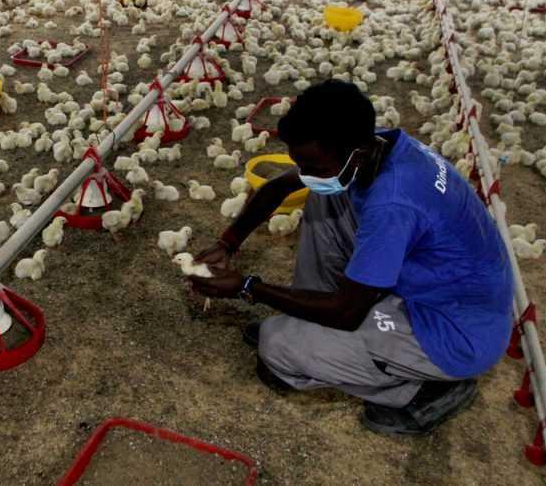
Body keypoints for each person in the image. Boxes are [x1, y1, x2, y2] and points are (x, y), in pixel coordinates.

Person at [189, 79, 513, 436]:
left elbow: (347, 313)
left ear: (355, 151)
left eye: (311, 164)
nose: (305, 172)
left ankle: (423, 386)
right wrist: (227, 243)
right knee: (324, 196)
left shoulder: (392, 204)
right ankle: (312, 315)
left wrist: (248, 287)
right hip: (446, 286)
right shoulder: (374, 145)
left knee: (277, 349)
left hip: (452, 331)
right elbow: (280, 186)